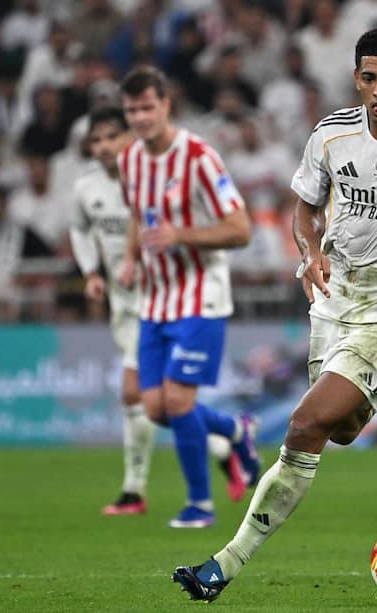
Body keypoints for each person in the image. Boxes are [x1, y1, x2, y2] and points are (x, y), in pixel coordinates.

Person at [172, 26, 377, 601]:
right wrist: (309, 252)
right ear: (356, 79)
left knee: (304, 425)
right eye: (369, 78)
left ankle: (223, 566)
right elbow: (304, 209)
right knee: (342, 430)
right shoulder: (331, 135)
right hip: (333, 302)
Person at [69, 106, 250, 516]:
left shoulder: (155, 177)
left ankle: (136, 490)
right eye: (95, 140)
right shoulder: (86, 187)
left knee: (139, 395)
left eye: (111, 136)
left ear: (129, 137)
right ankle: (227, 438)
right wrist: (91, 272)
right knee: (160, 405)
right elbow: (79, 229)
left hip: (169, 298)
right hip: (125, 302)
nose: (104, 147)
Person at [117, 66, 261, 528]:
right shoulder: (130, 160)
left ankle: (200, 504)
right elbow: (137, 215)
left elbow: (240, 229)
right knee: (156, 407)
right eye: (132, 110)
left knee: (178, 401)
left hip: (201, 296)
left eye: (147, 107)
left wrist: (182, 234)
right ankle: (235, 429)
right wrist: (129, 258)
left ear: (166, 105)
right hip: (154, 299)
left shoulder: (199, 157)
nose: (140, 117)